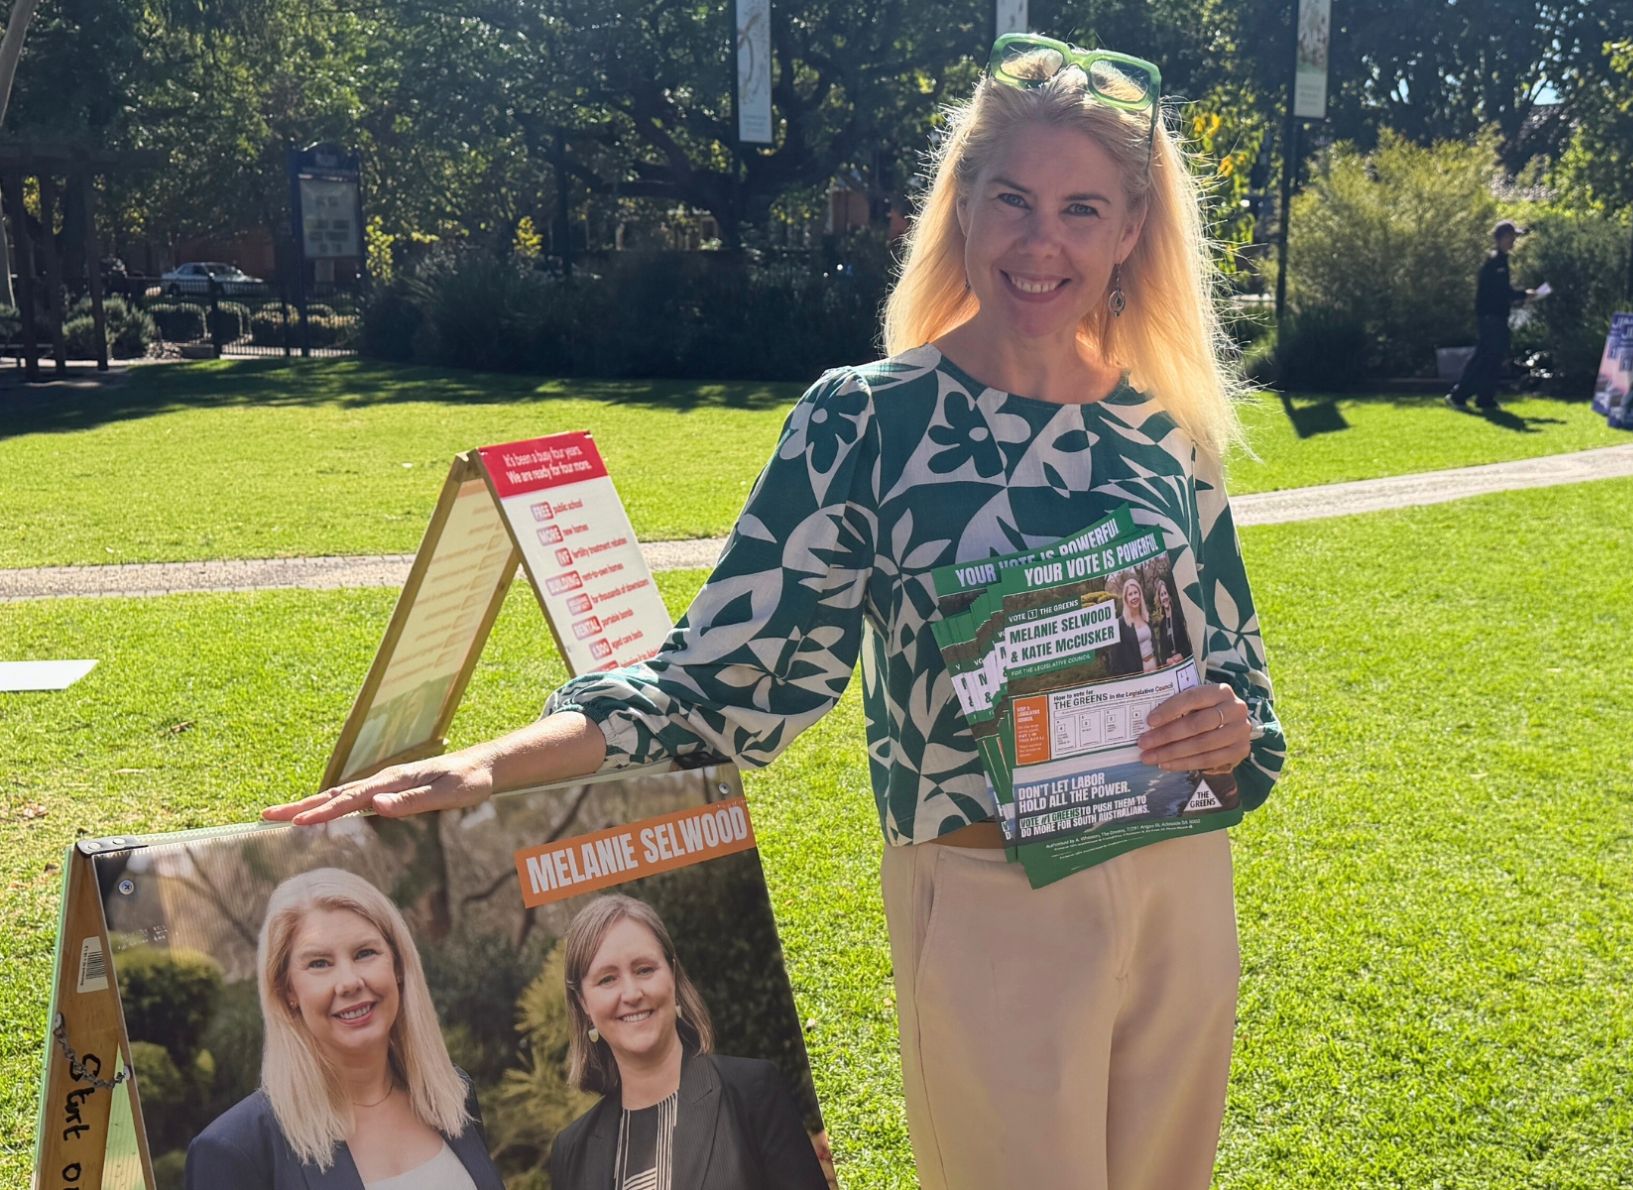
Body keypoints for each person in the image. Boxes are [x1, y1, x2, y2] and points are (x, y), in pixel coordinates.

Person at [267, 30, 1286, 1190]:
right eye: (1012, 199)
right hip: (991, 903)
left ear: (1130, 234)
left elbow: (1237, 672)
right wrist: (492, 765)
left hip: (1178, 888)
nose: (1041, 241)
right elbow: (717, 680)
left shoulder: (1169, 430)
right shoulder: (867, 421)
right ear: (961, 206)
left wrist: (1230, 725)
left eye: (1081, 209)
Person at [186, 868, 501, 1190]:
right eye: (319, 963)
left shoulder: (452, 1094)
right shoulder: (235, 1151)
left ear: (398, 967)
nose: (349, 982)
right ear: (287, 991)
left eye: (365, 953)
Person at [549, 894, 828, 1190]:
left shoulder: (751, 1093)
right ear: (583, 1003)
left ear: (672, 974)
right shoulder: (571, 1153)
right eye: (607, 979)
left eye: (644, 969)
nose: (631, 994)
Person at [1447, 219, 1543, 412]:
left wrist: (1521, 296)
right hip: (1490, 317)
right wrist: (1524, 295)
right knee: (1484, 357)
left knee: (1493, 357)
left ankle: (1485, 398)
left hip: (1496, 316)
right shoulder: (1495, 262)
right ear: (1500, 238)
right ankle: (1459, 395)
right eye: (1510, 237)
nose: (1513, 241)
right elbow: (1501, 292)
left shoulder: (1501, 261)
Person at [1110, 574, 1158, 672]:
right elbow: (1116, 660)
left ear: (1140, 595)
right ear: (1126, 599)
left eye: (1136, 592)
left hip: (1155, 666)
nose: (1134, 597)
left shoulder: (1147, 618)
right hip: (1139, 673)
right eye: (1130, 594)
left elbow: (1155, 644)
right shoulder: (1121, 624)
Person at [1152, 575, 1192, 667]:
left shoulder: (1179, 616)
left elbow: (1189, 642)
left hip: (1186, 662)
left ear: (1169, 596)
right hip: (1172, 666)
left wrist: (1182, 655)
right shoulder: (1162, 625)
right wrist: (1168, 660)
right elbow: (1162, 652)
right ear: (1160, 599)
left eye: (1165, 593)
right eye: (1161, 595)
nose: (1164, 597)